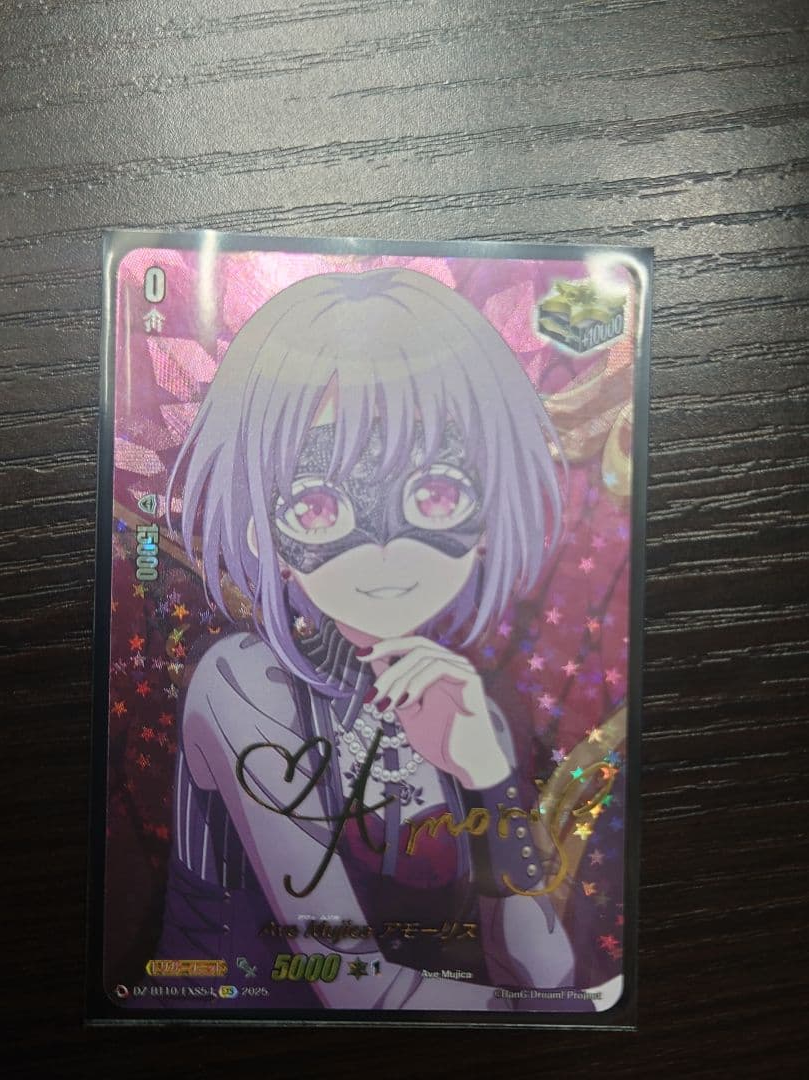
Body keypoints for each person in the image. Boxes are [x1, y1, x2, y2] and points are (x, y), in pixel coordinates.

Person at [158, 266, 577, 1011]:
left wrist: (491, 778)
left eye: (436, 493)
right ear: (265, 535)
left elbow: (546, 973)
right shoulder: (243, 683)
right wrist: (539, 1016)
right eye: (320, 507)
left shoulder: (468, 704)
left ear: (486, 515)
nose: (386, 551)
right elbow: (350, 983)